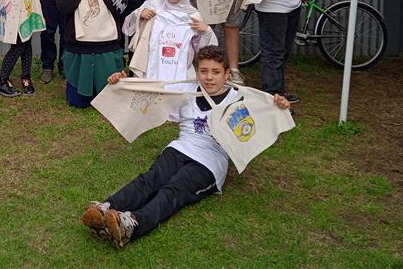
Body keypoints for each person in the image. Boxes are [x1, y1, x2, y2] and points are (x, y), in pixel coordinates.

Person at [81, 45, 291, 248]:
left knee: (173, 190)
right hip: (180, 148)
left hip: (210, 162)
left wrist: (279, 105)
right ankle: (105, 208)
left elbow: (264, 117)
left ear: (227, 74)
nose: (209, 77)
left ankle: (132, 224)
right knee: (150, 179)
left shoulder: (240, 99)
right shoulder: (186, 88)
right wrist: (123, 80)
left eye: (216, 72)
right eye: (204, 71)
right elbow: (151, 88)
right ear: (196, 71)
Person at [56, 0, 128, 108]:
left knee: (109, 102)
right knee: (78, 102)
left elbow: (120, 7)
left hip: (108, 49)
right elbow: (63, 7)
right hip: (79, 49)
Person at [119, 0, 217, 90]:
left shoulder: (193, 16)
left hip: (180, 68)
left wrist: (206, 30)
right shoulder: (154, 7)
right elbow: (127, 27)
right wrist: (139, 14)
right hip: (154, 64)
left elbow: (203, 50)